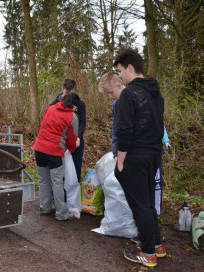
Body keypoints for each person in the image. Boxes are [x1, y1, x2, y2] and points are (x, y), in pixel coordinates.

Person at [113, 49, 165, 268]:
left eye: (120, 71)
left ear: (130, 68)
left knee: (140, 206)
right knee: (148, 203)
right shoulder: (156, 93)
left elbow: (124, 131)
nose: (120, 76)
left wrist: (121, 161)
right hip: (154, 154)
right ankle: (157, 245)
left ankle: (148, 254)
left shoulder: (129, 94)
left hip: (135, 156)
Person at [98, 72, 172, 216]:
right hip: (130, 154)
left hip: (148, 153)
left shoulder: (141, 97)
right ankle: (138, 224)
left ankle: (152, 220)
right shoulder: (117, 104)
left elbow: (157, 122)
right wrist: (116, 153)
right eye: (107, 94)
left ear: (118, 85)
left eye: (110, 92)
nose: (110, 96)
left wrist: (164, 140)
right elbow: (117, 130)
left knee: (150, 189)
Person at [33, 93, 80, 221]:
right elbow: (72, 140)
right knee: (57, 182)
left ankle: (45, 207)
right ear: (74, 105)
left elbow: (45, 126)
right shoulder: (73, 117)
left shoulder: (51, 108)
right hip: (54, 151)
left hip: (39, 148)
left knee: (44, 180)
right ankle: (61, 214)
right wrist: (73, 148)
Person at [50, 78, 86, 182]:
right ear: (62, 89)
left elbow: (83, 122)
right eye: (66, 92)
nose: (68, 95)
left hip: (76, 140)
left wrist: (78, 136)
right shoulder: (54, 104)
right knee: (60, 167)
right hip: (61, 140)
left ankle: (75, 190)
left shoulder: (80, 103)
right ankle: (61, 193)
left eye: (70, 92)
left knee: (76, 165)